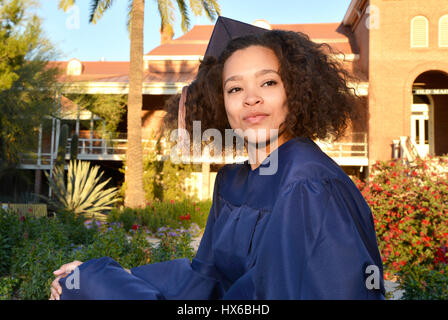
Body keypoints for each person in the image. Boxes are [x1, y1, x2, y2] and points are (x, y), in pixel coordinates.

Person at [49, 16, 385, 300]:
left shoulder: (309, 184)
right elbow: (205, 281)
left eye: (268, 82)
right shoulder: (231, 181)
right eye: (234, 88)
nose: (251, 99)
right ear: (219, 102)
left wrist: (98, 283)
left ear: (295, 92)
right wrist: (117, 275)